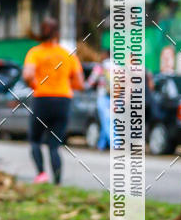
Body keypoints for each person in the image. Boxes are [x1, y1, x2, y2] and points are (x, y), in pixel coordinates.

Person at [22, 17, 84, 184]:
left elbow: (27, 74)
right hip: (63, 100)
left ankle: (41, 174)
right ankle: (57, 181)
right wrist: (64, 84)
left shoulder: (35, 52)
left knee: (35, 139)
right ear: (58, 33)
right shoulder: (68, 54)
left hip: (42, 99)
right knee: (54, 144)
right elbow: (80, 82)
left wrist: (34, 84)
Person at [85, 49, 113, 150]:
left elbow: (91, 82)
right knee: (108, 119)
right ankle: (101, 145)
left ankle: (115, 144)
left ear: (105, 55)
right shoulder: (118, 66)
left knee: (106, 121)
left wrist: (83, 87)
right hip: (116, 97)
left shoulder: (100, 66)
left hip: (103, 96)